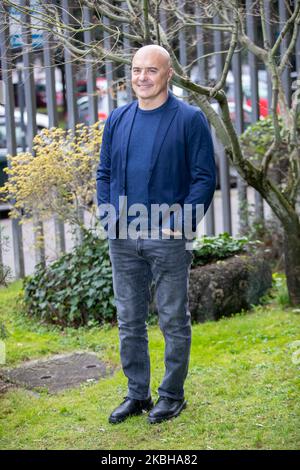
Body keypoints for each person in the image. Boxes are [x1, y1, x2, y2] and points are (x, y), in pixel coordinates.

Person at [96, 45, 216, 424]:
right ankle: (137, 395)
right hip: (123, 236)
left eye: (151, 70)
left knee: (172, 320)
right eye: (136, 70)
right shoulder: (118, 118)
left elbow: (204, 178)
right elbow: (104, 173)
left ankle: (172, 395)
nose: (142, 77)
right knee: (129, 320)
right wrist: (107, 216)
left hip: (168, 237)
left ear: (168, 75)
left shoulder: (189, 119)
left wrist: (182, 221)